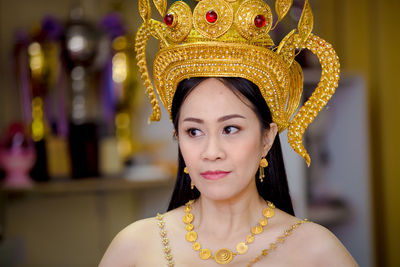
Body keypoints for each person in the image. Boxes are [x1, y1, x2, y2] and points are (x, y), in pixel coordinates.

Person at [100, 0, 358, 266]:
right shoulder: (135, 246)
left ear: (267, 138)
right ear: (177, 136)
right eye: (194, 131)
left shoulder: (316, 251)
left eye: (230, 128)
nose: (212, 152)